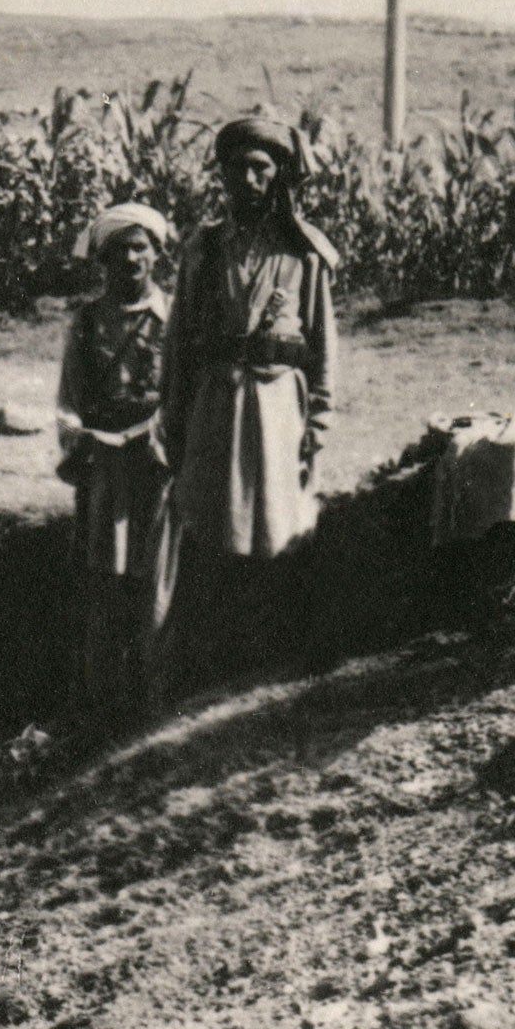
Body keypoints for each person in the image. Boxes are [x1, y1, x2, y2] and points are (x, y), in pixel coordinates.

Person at [160, 117, 338, 684]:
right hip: (216, 400)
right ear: (223, 175)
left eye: (261, 168)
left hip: (280, 405)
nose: (248, 179)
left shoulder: (304, 252)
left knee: (277, 526)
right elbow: (179, 337)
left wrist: (321, 419)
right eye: (237, 168)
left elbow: (322, 341)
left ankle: (273, 656)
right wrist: (173, 415)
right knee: (214, 526)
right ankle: (210, 658)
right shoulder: (205, 247)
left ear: (280, 174)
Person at [57, 203, 181, 719]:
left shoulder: (175, 317)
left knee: (156, 584)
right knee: (104, 585)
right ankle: (101, 710)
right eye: (119, 251)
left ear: (156, 255)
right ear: (102, 261)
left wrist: (154, 434)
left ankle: (155, 704)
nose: (131, 259)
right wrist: (85, 439)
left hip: (156, 466)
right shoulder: (87, 321)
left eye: (140, 247)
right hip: (104, 471)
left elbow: (183, 392)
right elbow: (68, 401)